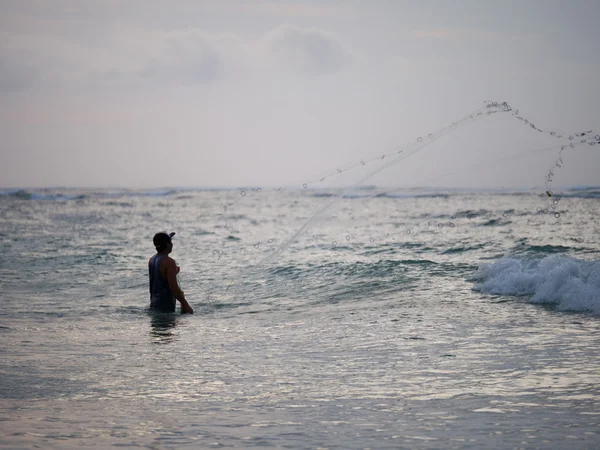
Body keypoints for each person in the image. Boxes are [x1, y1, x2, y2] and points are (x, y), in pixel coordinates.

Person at [148, 232, 193, 314]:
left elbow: (159, 279)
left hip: (154, 305)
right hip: (165, 308)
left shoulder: (152, 260)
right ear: (168, 245)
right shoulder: (169, 262)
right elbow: (174, 288)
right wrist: (185, 304)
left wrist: (173, 273)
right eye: (170, 242)